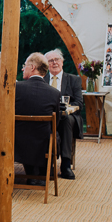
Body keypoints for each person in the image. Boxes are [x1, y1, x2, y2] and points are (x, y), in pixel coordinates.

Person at [15, 53, 61, 180]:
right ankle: (42, 174)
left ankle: (32, 174)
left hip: (17, 143)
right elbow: (55, 123)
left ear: (33, 67)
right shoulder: (54, 93)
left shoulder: (16, 88)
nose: (23, 69)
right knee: (54, 135)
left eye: (25, 65)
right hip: (42, 144)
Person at [44, 49, 83, 180]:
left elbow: (79, 103)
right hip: (47, 115)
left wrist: (67, 109)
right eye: (50, 61)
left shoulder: (74, 80)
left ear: (62, 62)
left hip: (67, 116)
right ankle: (45, 164)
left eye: (57, 60)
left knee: (65, 120)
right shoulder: (42, 79)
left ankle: (66, 164)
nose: (54, 63)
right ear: (46, 64)